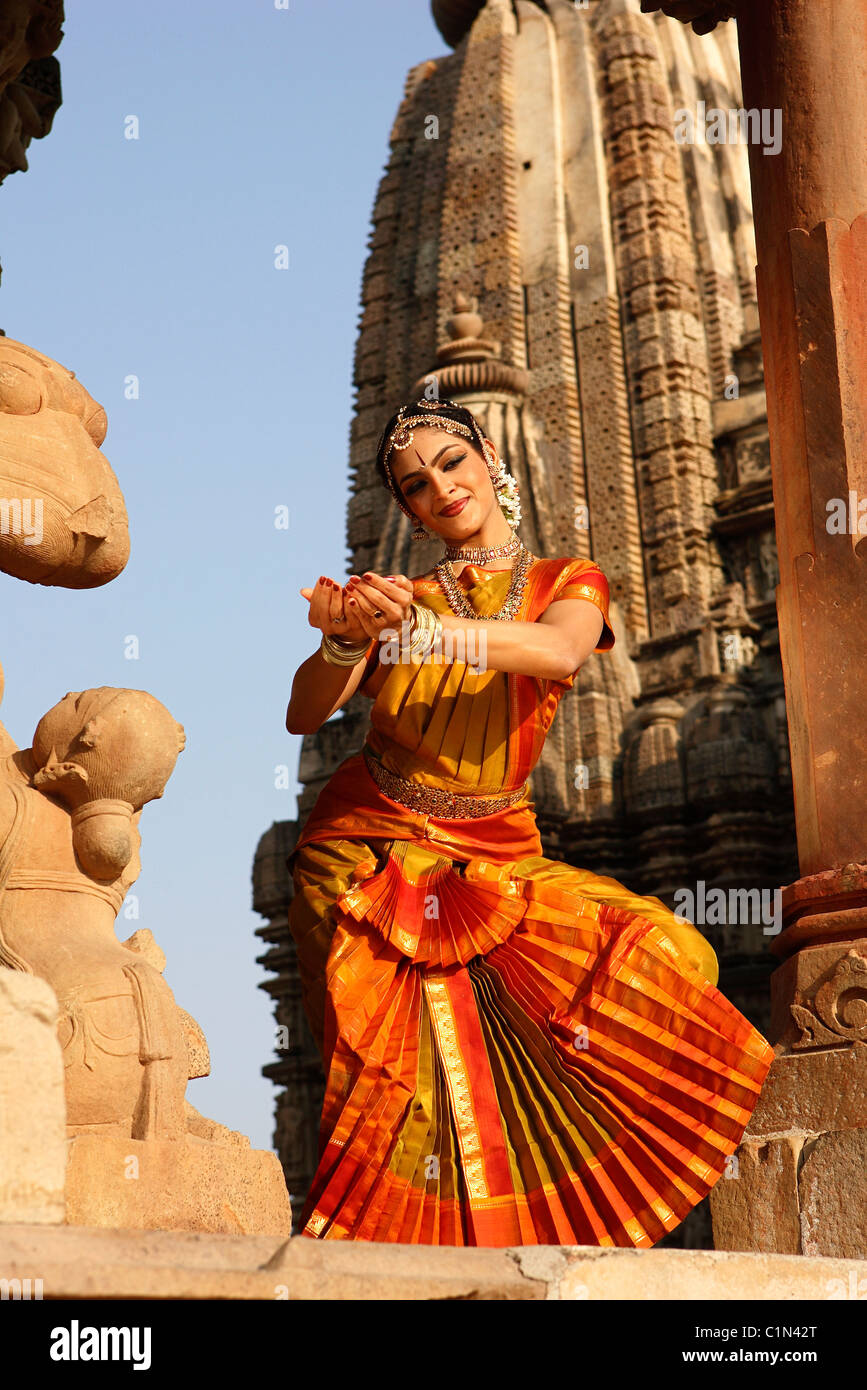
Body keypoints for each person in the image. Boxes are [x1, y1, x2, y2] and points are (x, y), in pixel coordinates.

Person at [284, 397, 774, 1246]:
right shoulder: (398, 598)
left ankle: (545, 1231)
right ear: (404, 510)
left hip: (495, 848)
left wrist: (429, 634)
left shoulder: (566, 581)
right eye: (414, 485)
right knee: (410, 1076)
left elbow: (555, 652)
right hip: (366, 850)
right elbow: (302, 715)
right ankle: (402, 1265)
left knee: (664, 948)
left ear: (488, 460)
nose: (439, 488)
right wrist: (340, 641)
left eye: (450, 463)